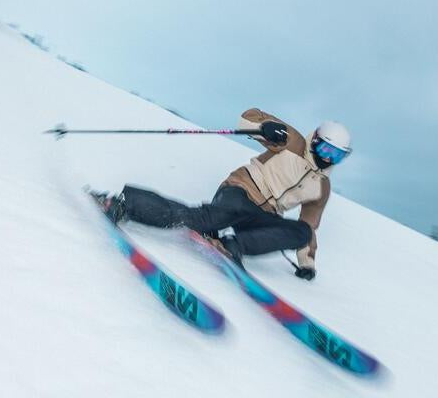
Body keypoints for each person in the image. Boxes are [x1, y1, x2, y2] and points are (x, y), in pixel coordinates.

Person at [102, 108, 352, 280]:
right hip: (241, 191)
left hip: (261, 216)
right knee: (205, 219)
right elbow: (248, 118)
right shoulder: (293, 141)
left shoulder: (321, 187)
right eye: (326, 149)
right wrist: (265, 127)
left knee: (302, 233)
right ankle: (125, 204)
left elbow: (309, 225)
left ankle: (232, 245)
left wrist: (306, 263)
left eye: (337, 155)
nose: (328, 157)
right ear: (316, 140)